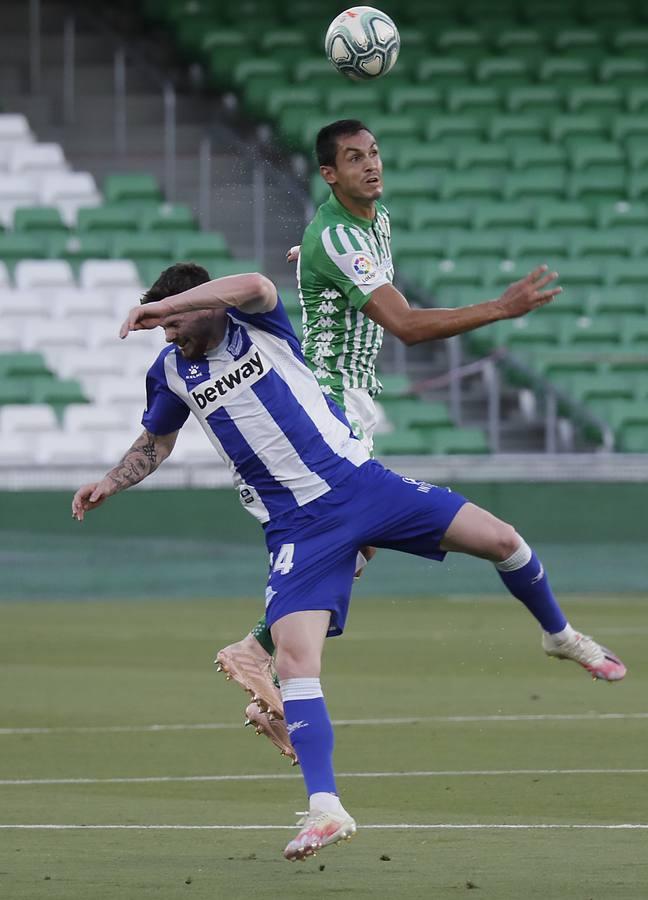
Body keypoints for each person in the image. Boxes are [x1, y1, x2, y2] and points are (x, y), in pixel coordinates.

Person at [72, 265, 626, 862]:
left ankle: (561, 635)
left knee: (502, 540)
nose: (168, 333)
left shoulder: (254, 322)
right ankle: (325, 809)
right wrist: (111, 481)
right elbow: (157, 440)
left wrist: (171, 305)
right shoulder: (170, 373)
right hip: (297, 526)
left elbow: (256, 282)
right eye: (162, 321)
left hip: (360, 485)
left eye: (177, 319)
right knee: (295, 659)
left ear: (205, 304)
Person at [214, 116, 560, 758]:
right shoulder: (339, 234)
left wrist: (312, 257)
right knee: (346, 538)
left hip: (352, 401)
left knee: (355, 550)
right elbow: (404, 324)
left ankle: (261, 651)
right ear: (328, 173)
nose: (371, 165)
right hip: (329, 401)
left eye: (374, 153)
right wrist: (500, 309)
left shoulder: (371, 222)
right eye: (354, 158)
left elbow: (336, 259)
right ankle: (263, 658)